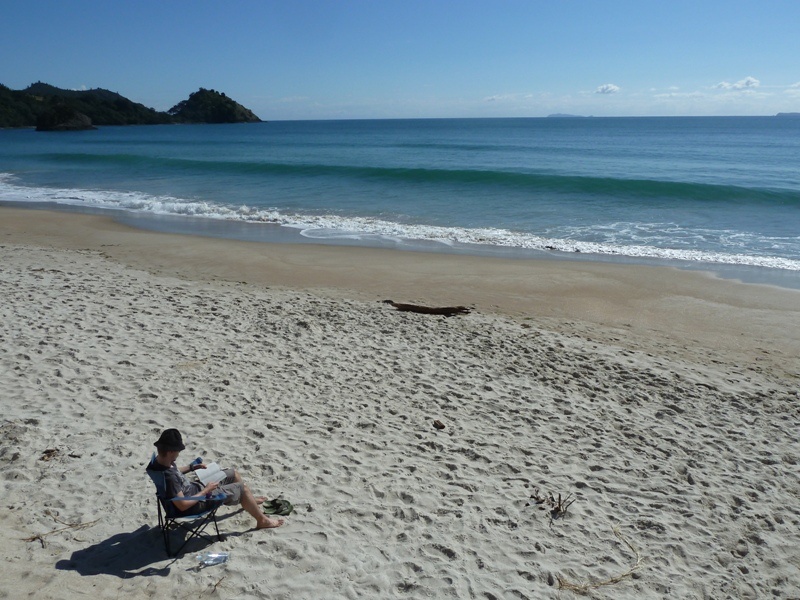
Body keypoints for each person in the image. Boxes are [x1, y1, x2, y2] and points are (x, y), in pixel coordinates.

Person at [148, 428, 283, 529]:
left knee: (232, 473)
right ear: (171, 451)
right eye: (177, 450)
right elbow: (182, 505)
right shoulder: (169, 477)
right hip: (197, 502)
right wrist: (206, 490)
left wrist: (191, 467)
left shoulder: (158, 463)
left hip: (195, 489)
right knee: (243, 488)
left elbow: (176, 471)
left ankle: (248, 501)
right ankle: (262, 520)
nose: (178, 453)